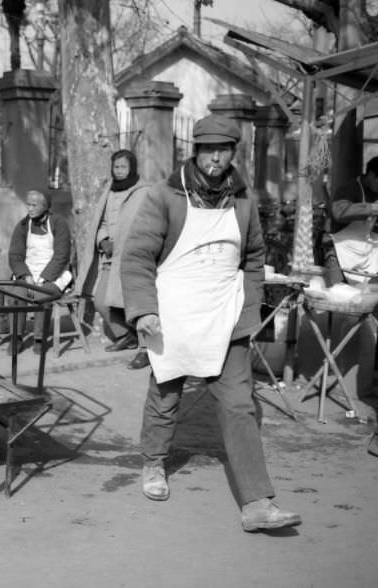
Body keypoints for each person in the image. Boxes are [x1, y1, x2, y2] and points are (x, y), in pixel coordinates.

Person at [120, 114, 302, 532]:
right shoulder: (166, 197)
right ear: (196, 150)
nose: (215, 157)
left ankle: (257, 504)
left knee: (239, 406)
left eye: (223, 149)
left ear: (232, 153)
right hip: (173, 318)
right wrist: (145, 310)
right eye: (208, 148)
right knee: (166, 397)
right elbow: (138, 257)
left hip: (225, 320)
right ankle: (153, 463)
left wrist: (248, 308)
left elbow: (253, 259)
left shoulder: (243, 202)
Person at [74, 149, 150, 370]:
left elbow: (148, 223)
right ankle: (127, 335)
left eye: (123, 167)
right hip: (110, 258)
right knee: (100, 301)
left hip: (134, 257)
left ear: (132, 168)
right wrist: (103, 240)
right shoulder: (108, 191)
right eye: (116, 167)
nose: (119, 171)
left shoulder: (144, 192)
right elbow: (103, 223)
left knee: (137, 305)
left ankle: (145, 349)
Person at [7, 189, 72, 353]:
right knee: (15, 295)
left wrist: (44, 278)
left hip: (53, 274)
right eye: (28, 204)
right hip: (29, 272)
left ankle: (39, 338)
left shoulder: (58, 223)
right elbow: (15, 255)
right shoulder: (23, 226)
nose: (30, 208)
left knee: (43, 295)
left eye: (34, 205)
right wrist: (26, 275)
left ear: (45, 206)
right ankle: (16, 337)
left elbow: (62, 255)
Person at [323, 156, 378, 285]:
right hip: (339, 250)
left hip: (365, 253)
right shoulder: (349, 189)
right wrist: (372, 208)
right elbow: (339, 212)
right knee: (338, 294)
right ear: (370, 175)